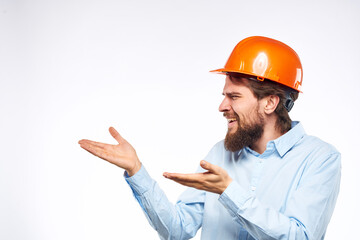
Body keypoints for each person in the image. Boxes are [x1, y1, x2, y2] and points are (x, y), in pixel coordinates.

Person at [78, 36, 341, 240]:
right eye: (224, 95)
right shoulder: (221, 154)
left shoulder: (319, 159)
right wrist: (136, 170)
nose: (222, 106)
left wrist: (229, 191)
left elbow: (300, 236)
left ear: (270, 103)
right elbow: (177, 230)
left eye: (234, 96)